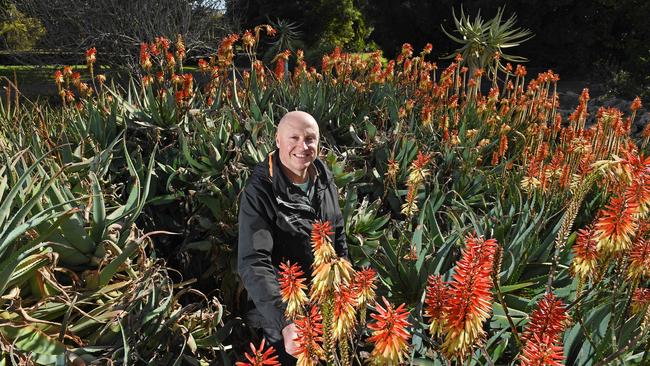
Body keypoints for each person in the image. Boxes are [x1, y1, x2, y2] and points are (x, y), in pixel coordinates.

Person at [237, 111, 348, 364]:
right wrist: (286, 322)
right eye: (294, 137)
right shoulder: (260, 190)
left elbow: (337, 233)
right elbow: (253, 261)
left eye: (310, 139)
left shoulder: (322, 176)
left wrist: (342, 281)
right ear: (277, 140)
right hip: (283, 309)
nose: (303, 146)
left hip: (325, 302)